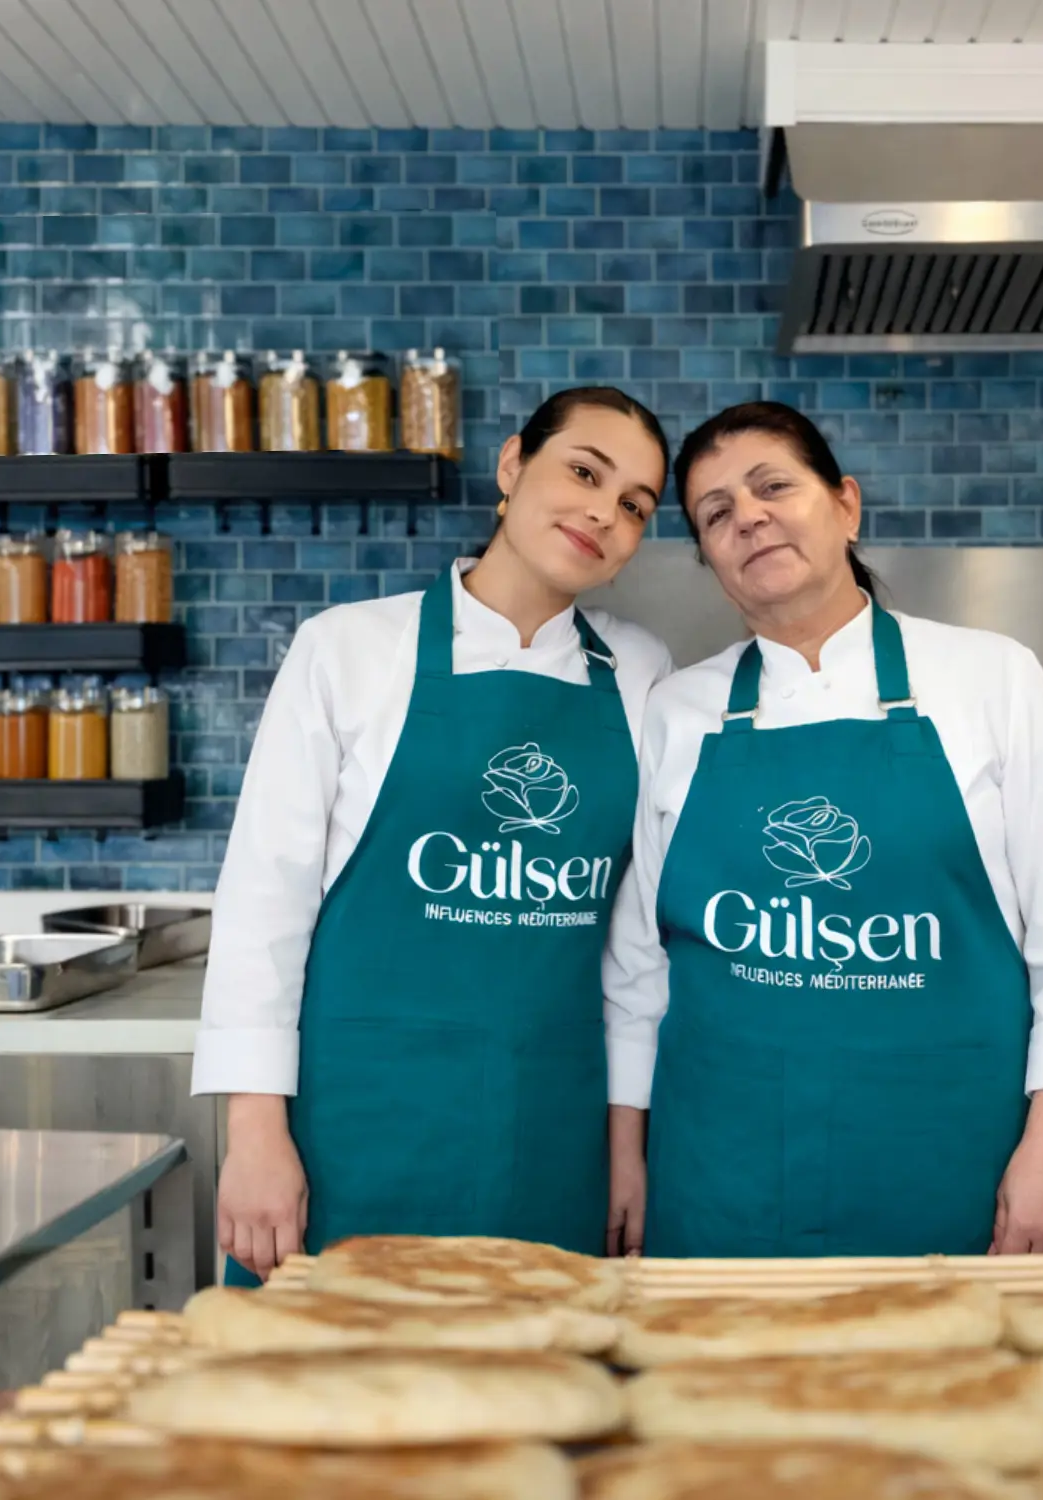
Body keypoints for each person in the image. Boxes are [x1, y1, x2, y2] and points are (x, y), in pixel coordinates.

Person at [603, 401, 1043, 1261]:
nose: (749, 517)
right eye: (716, 513)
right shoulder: (677, 711)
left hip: (948, 1170)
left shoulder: (990, 679)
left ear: (846, 505)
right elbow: (638, 969)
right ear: (710, 559)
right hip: (720, 1174)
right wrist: (626, 1155)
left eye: (773, 487)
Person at [194, 386, 674, 1283]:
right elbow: (265, 903)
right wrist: (255, 1133)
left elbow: (634, 945)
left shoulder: (644, 675)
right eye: (584, 473)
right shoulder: (347, 650)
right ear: (512, 464)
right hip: (357, 1124)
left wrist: (625, 1145)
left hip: (554, 1131)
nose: (604, 514)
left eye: (635, 506)